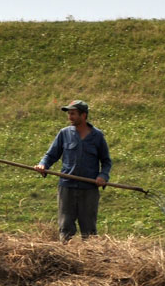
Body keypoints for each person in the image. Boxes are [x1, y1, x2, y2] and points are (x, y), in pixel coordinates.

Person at [34, 100, 112, 241]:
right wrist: (43, 165)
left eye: (73, 114)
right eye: (69, 113)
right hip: (67, 187)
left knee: (89, 230)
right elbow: (51, 155)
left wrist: (103, 176)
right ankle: (66, 255)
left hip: (88, 189)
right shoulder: (64, 133)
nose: (70, 117)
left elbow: (106, 161)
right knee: (65, 227)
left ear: (84, 115)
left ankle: (90, 257)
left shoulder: (97, 136)